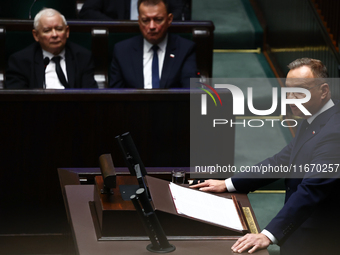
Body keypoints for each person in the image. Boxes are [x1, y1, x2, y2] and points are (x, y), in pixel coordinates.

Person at [191, 58, 340, 255]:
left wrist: (268, 235)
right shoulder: (313, 116)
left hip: (318, 240)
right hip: (300, 231)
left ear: (323, 91)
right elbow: (281, 161)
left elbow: (311, 190)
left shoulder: (334, 132)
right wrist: (228, 184)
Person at [109, 0, 197, 89]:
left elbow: (192, 92)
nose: (152, 26)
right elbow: (115, 97)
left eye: (158, 20)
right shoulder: (122, 51)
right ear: (139, 21)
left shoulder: (185, 49)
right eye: (145, 20)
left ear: (169, 19)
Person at [5, 8, 98, 89]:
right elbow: (17, 101)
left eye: (59, 29)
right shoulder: (21, 61)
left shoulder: (82, 57)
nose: (54, 35)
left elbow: (90, 96)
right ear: (36, 35)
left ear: (67, 32)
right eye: (47, 31)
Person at [79, 0, 190, 21]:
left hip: (160, 38)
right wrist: (118, 26)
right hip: (120, 40)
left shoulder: (184, 49)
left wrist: (159, 22)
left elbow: (178, 11)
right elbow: (87, 11)